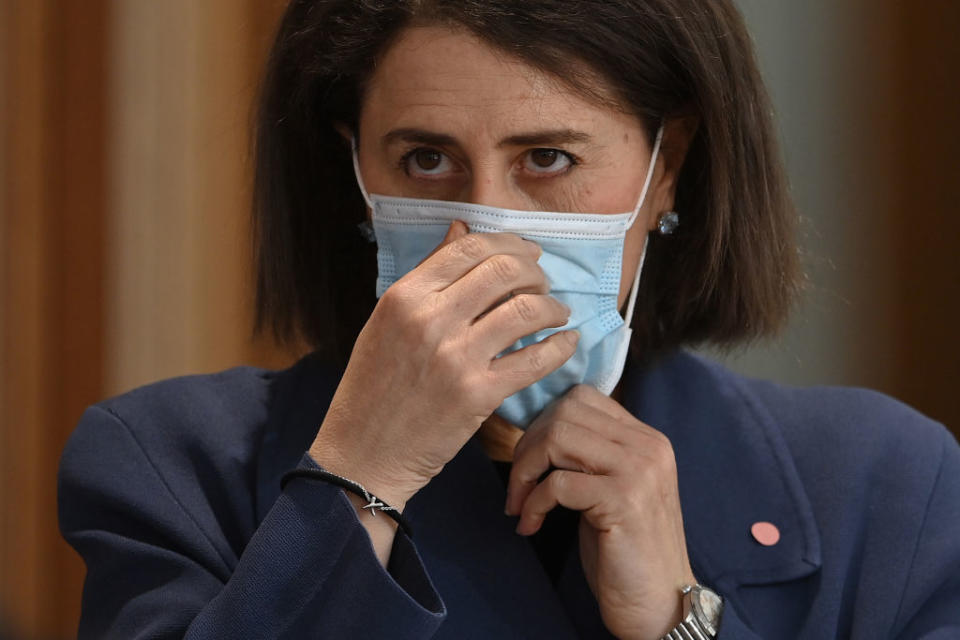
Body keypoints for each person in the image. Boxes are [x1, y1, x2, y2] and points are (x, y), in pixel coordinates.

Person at [58, 1, 960, 638]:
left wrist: (682, 625)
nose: (480, 228)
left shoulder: (887, 489)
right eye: (424, 159)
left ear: (667, 168)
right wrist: (358, 479)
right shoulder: (166, 465)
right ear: (357, 174)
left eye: (547, 157)